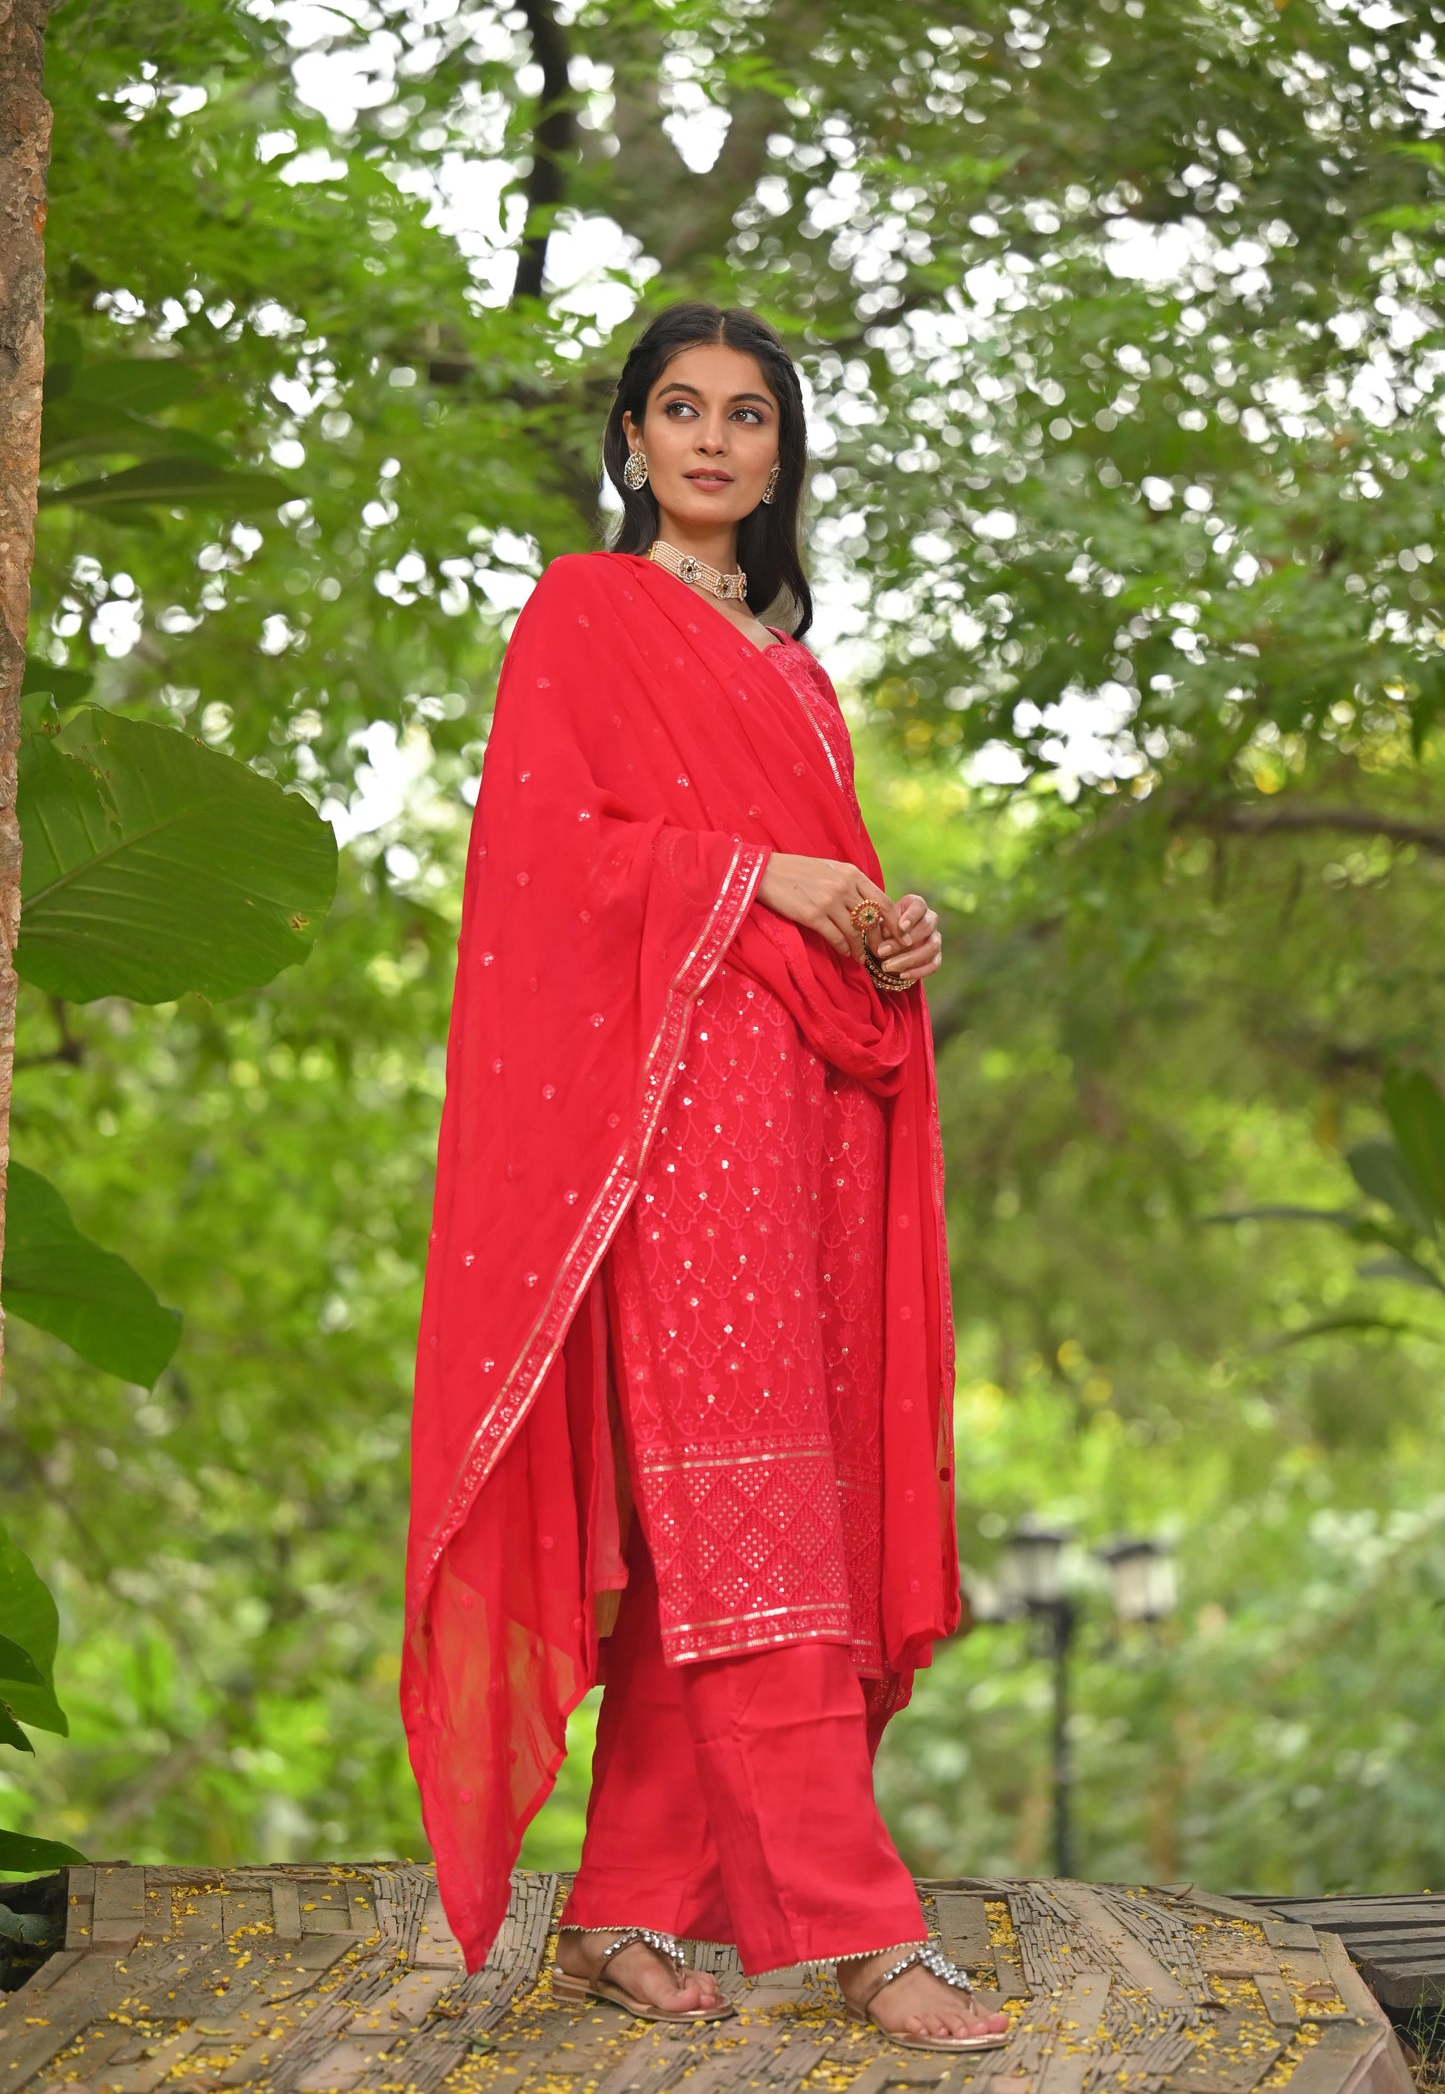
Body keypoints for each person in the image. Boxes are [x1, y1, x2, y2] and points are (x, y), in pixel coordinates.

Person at [402, 302, 1010, 2055]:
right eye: (681, 408)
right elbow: (544, 861)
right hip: (670, 1119)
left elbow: (829, 889)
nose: (714, 440)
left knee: (738, 1518)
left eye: (748, 415)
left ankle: (620, 1910)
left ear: (779, 453)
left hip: (806, 1117)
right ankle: (858, 1932)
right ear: (631, 437)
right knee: (753, 1512)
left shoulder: (792, 671)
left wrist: (883, 924)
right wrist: (756, 877)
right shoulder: (587, 612)